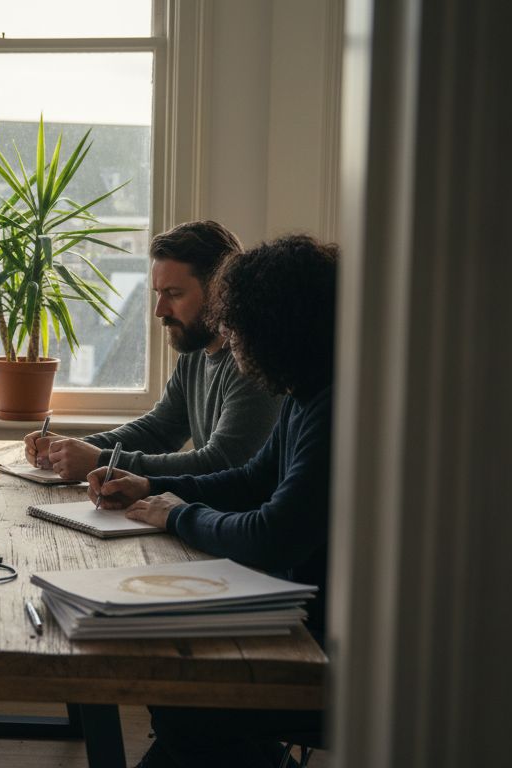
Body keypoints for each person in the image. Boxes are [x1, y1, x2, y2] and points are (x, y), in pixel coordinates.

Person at [85, 234, 337, 767]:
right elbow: (250, 478)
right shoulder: (305, 391)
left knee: (185, 705)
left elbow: (271, 535)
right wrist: (151, 488)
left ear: (273, 328)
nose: (231, 340)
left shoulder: (332, 407)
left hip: (325, 639)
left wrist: (179, 513)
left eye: (237, 327)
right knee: (179, 705)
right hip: (296, 609)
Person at [24, 220, 281, 481]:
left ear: (220, 291)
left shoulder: (251, 361)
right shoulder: (194, 349)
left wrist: (101, 461)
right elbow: (158, 431)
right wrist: (69, 448)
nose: (160, 310)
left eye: (173, 294)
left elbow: (222, 462)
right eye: (158, 293)